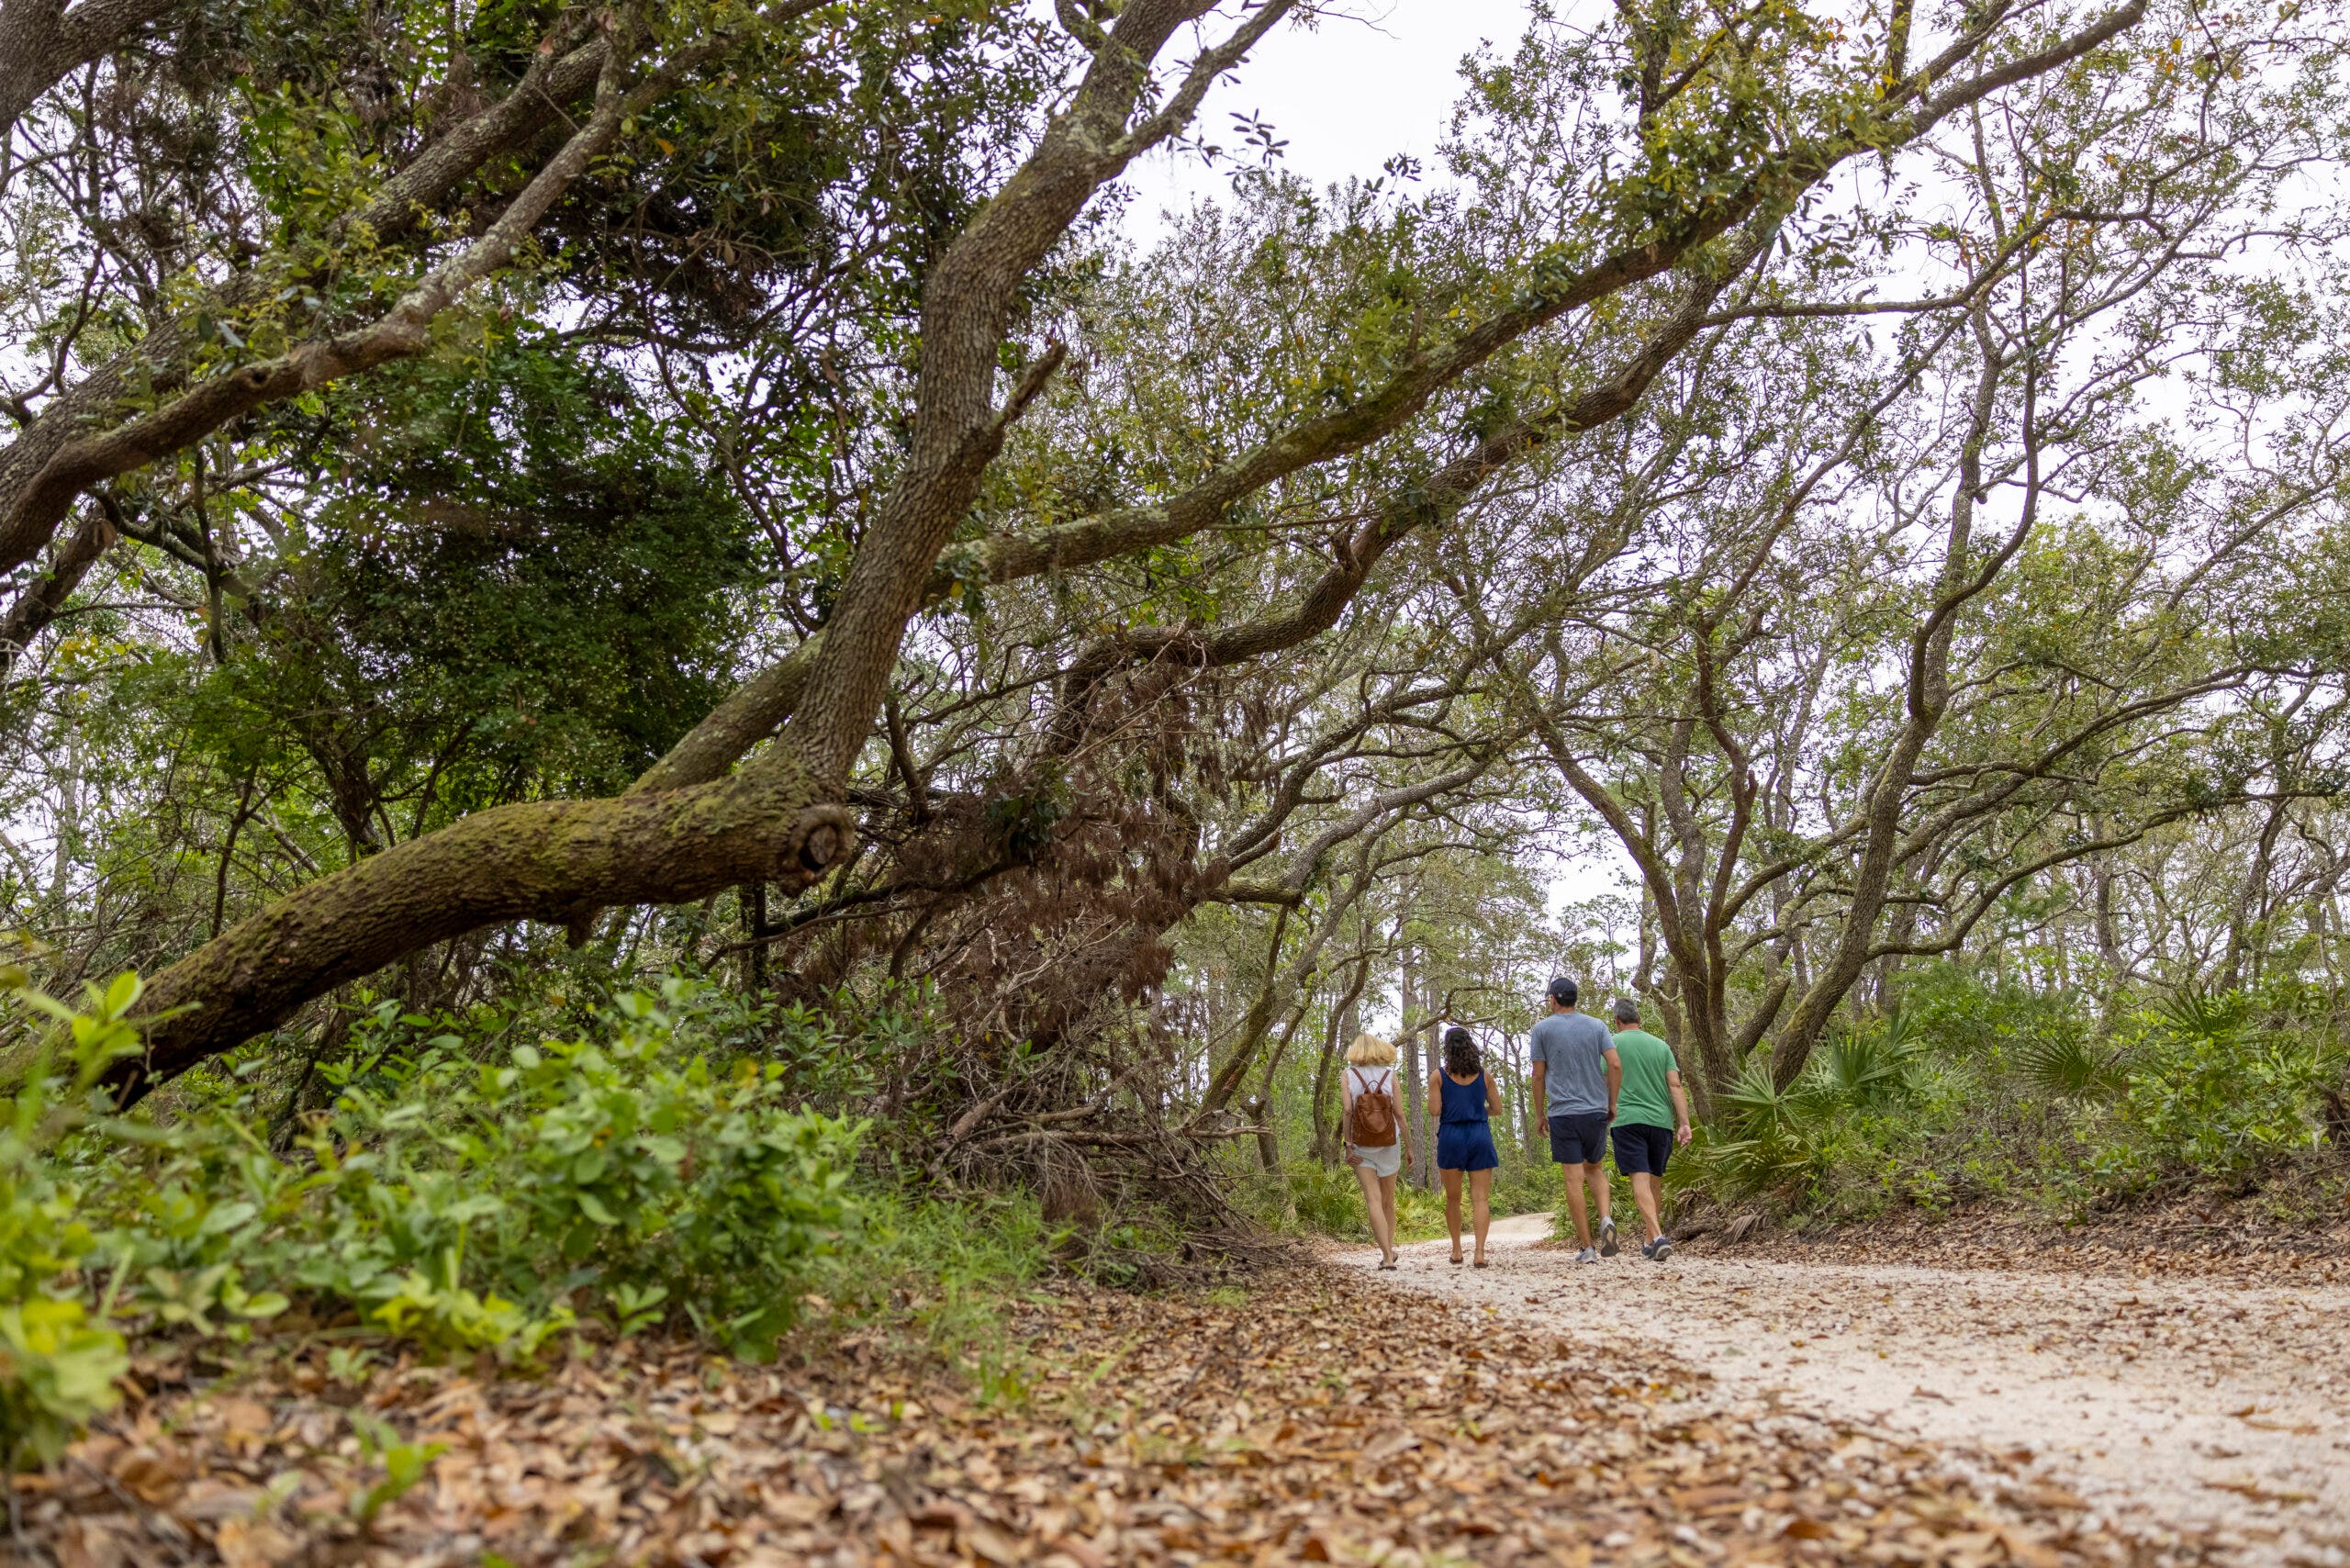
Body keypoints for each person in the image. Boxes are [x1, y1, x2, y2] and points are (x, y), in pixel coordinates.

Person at [1528, 976, 1621, 1262]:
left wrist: (1540, 1113)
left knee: (1573, 1178)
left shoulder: (1542, 1029)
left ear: (1553, 999)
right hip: (1595, 1110)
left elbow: (1539, 1074)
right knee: (1594, 1169)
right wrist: (1611, 1102)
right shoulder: (1597, 1025)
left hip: (1563, 1113)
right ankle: (1605, 1217)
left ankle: (1587, 1248)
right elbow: (1615, 1063)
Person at [1608, 997, 1693, 1261]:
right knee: (1654, 1182)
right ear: (1639, 1020)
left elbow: (1603, 1079)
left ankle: (1657, 1237)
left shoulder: (1612, 1044)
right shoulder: (1661, 1046)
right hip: (1660, 1122)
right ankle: (1648, 1242)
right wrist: (1684, 1123)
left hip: (1628, 1120)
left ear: (1617, 1021)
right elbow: (1676, 1086)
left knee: (1640, 1181)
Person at [1427, 1025, 1504, 1267]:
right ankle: (1479, 1253)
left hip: (1451, 1135)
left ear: (1447, 1049)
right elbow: (1498, 1109)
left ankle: (1457, 1250)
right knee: (1480, 1198)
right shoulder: (1485, 1075)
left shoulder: (1438, 1076)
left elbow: (1434, 1110)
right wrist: (1476, 1111)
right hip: (1479, 1134)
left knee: (1453, 1199)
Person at [1341, 1033, 1409, 1270]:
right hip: (1390, 1143)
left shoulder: (1349, 1075)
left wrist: (1348, 1144)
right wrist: (1409, 1147)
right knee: (1388, 1201)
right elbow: (1399, 1114)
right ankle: (1388, 1250)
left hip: (1361, 1145)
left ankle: (1388, 1257)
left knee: (1373, 1199)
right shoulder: (1390, 1075)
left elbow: (1348, 1111)